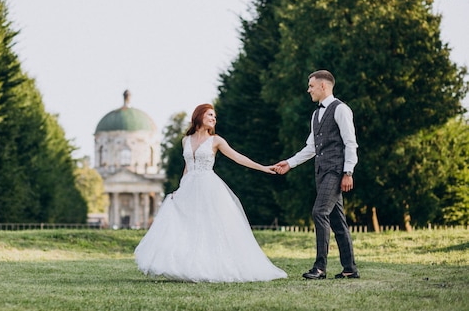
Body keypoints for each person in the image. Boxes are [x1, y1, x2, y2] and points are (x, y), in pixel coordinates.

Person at [134, 103, 287, 283]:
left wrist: (263, 167)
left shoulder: (216, 141)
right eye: (210, 115)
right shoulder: (186, 140)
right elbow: (187, 167)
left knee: (210, 226)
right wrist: (180, 188)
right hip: (188, 188)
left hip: (209, 187)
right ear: (199, 116)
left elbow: (238, 157)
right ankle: (186, 266)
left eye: (215, 116)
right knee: (186, 227)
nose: (214, 119)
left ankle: (211, 266)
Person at [273, 70, 359, 280]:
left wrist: (348, 171)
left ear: (323, 86)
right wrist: (290, 163)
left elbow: (350, 143)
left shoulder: (341, 109)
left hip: (335, 171)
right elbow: (311, 147)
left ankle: (319, 268)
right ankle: (350, 269)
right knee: (338, 222)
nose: (308, 89)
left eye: (311, 86)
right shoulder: (315, 114)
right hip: (320, 173)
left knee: (319, 212)